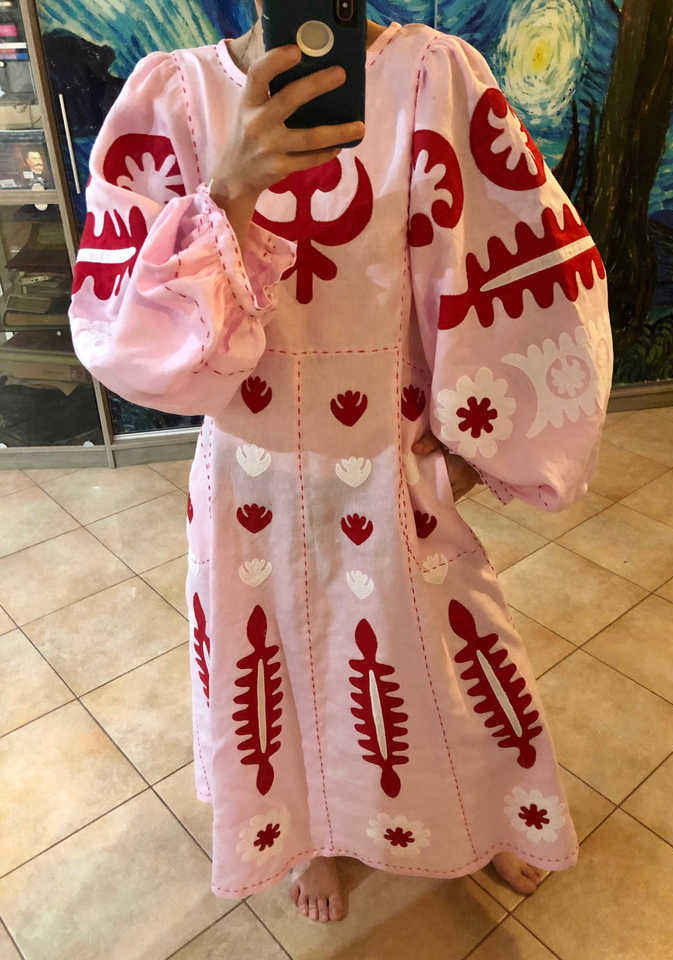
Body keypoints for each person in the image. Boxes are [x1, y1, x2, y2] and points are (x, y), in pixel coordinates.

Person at [68, 2, 613, 927]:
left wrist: (477, 431)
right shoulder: (173, 98)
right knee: (276, 657)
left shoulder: (437, 77)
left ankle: (495, 807)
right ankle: (308, 834)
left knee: (449, 648)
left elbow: (518, 245)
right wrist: (229, 188)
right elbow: (120, 328)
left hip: (388, 449)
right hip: (251, 468)